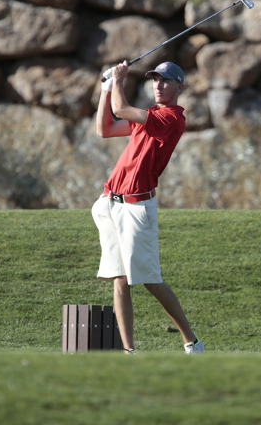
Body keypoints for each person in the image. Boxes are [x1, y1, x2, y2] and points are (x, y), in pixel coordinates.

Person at [91, 60, 203, 355]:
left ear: (179, 87)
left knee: (150, 280)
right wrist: (105, 91)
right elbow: (104, 128)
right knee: (120, 279)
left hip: (137, 207)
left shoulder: (172, 119)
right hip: (111, 201)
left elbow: (121, 110)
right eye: (155, 80)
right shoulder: (149, 116)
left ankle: (191, 341)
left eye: (165, 81)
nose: (158, 85)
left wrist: (118, 80)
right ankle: (129, 351)